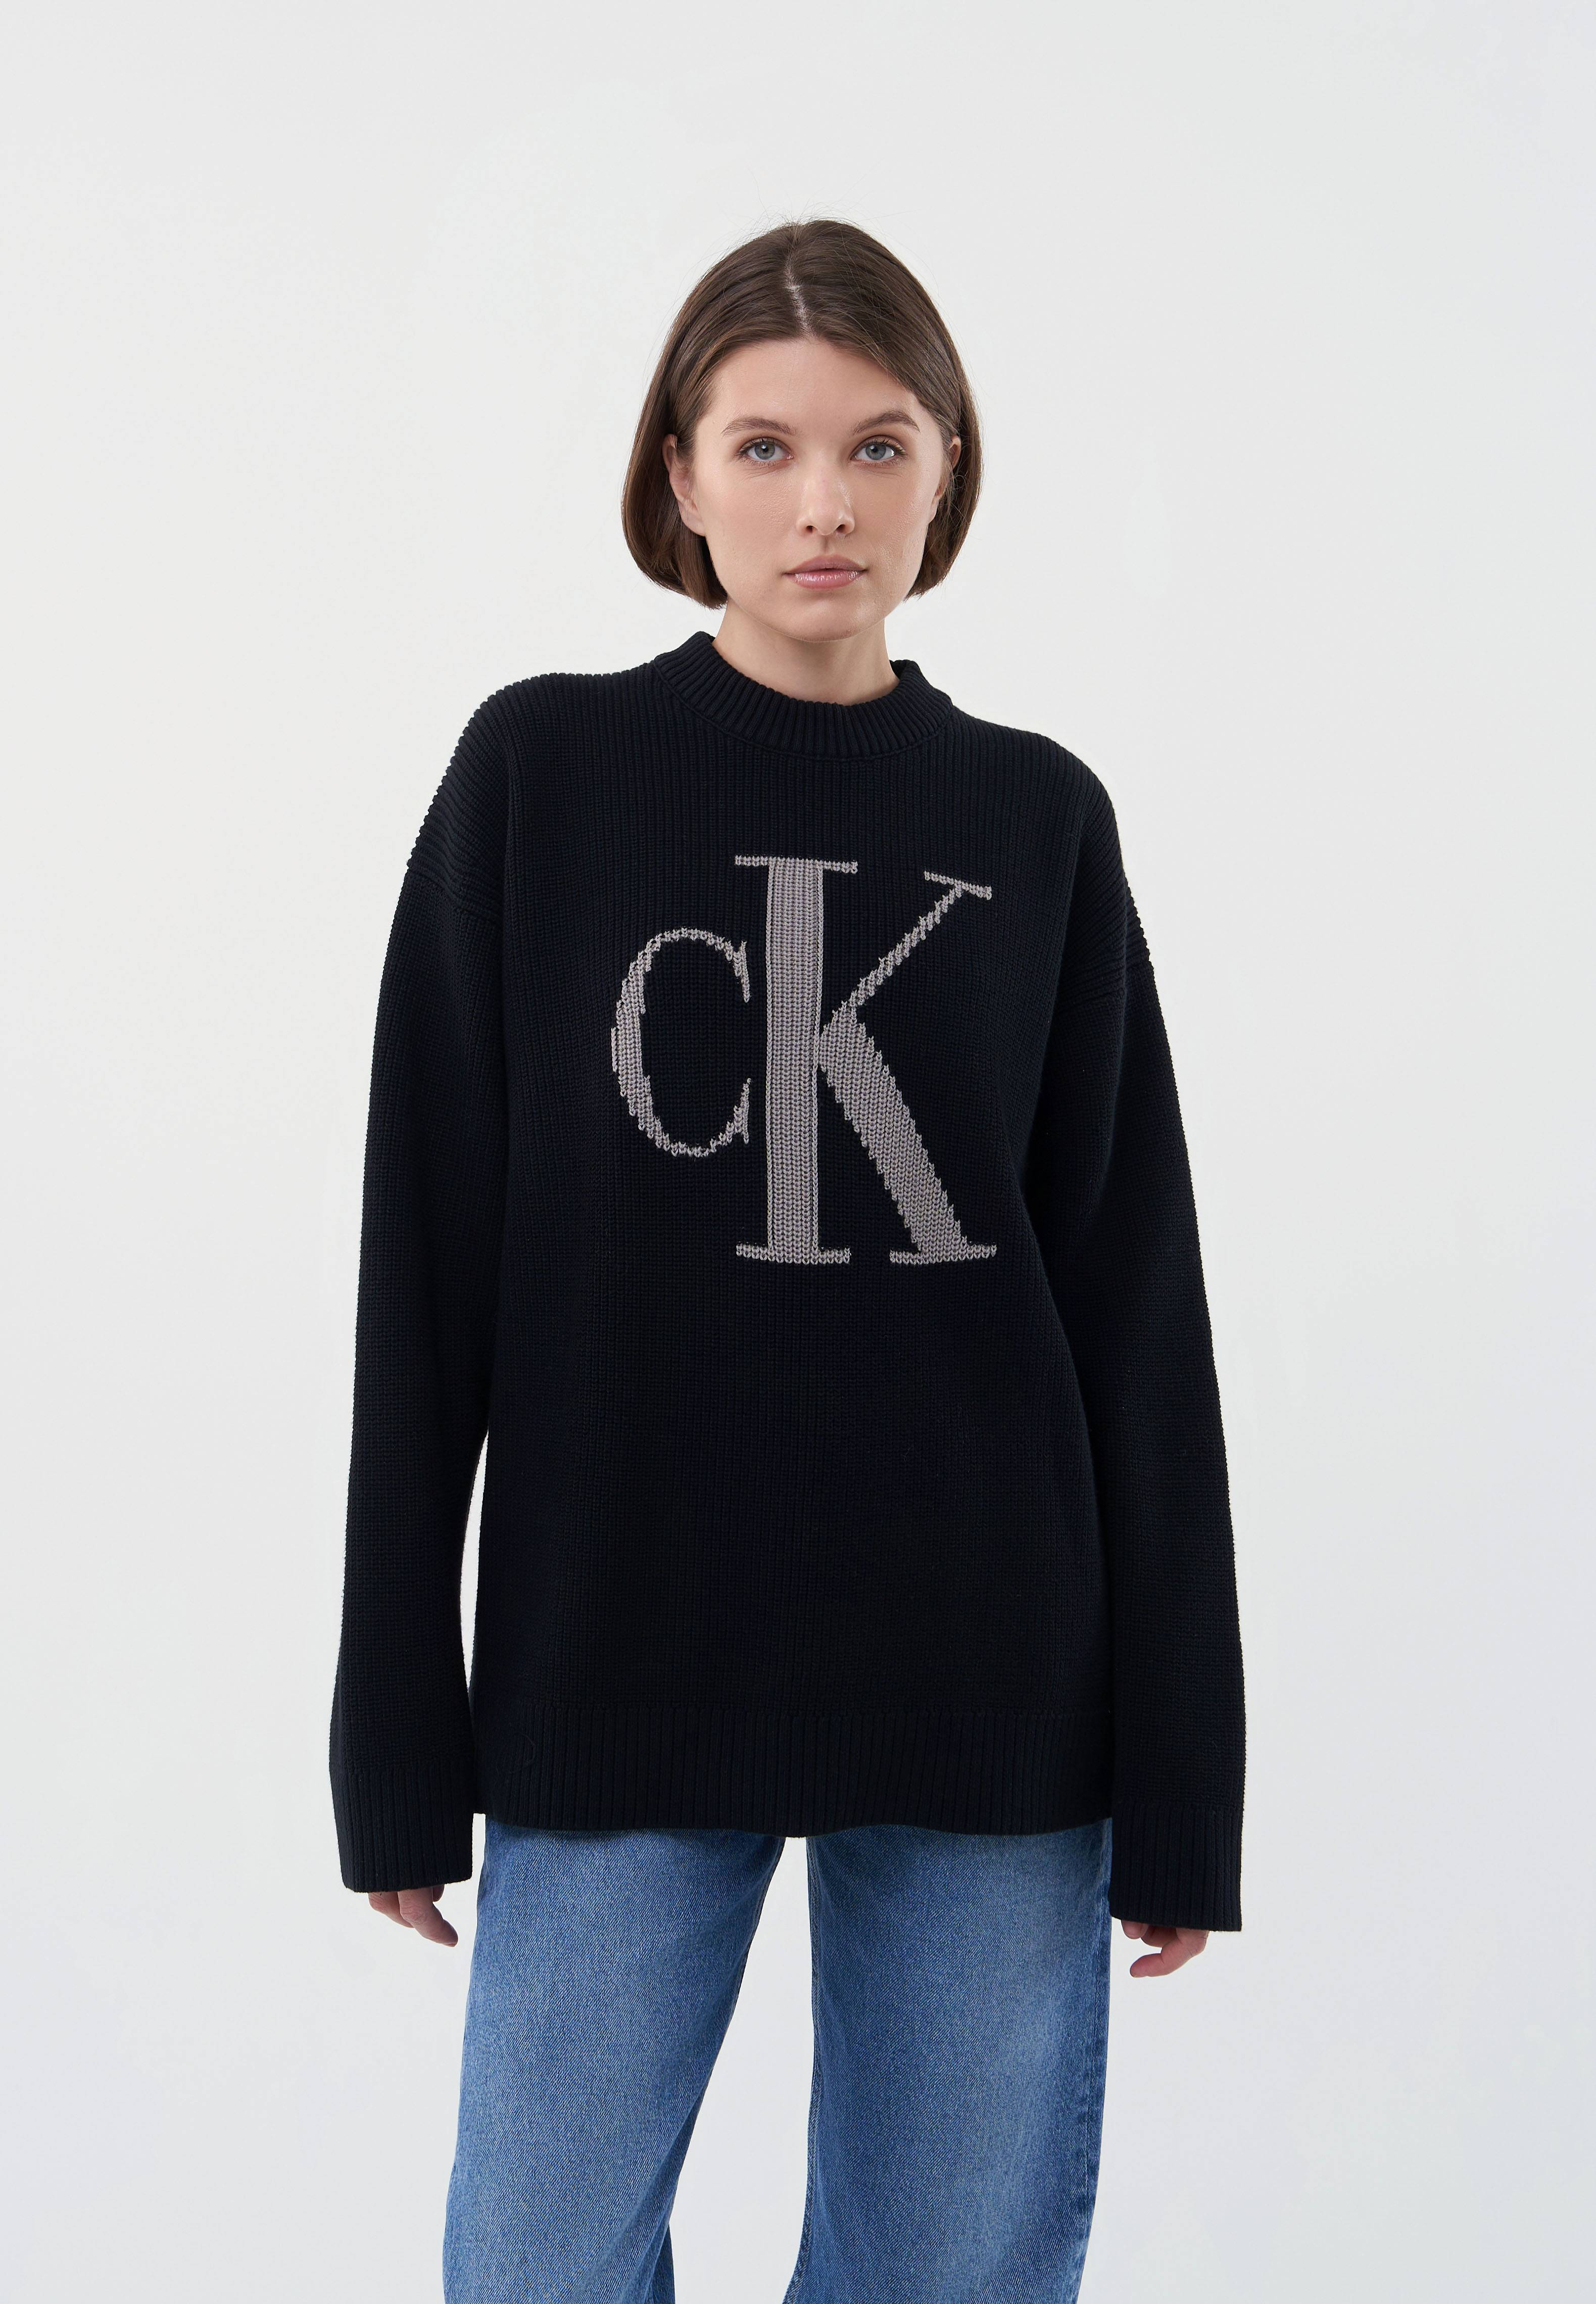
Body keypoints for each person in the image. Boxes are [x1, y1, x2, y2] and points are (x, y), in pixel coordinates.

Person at [329, 216, 1246, 2303]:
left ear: (947, 470)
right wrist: (396, 1730)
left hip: (989, 1674)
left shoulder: (1038, 818)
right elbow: (425, 1271)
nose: (823, 502)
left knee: (950, 2275)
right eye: (764, 447)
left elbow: (1136, 1313)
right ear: (677, 473)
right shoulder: (537, 777)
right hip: (612, 1655)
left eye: (876, 445)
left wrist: (1185, 1775)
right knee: (536, 2264)